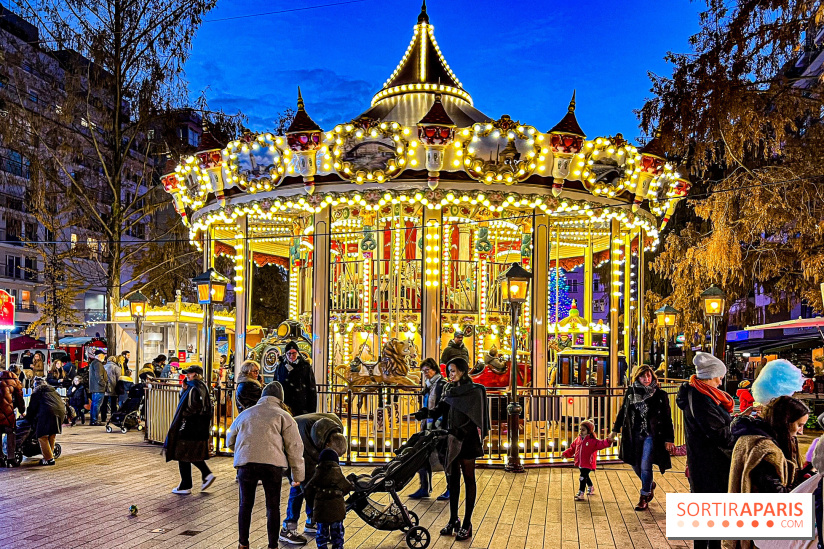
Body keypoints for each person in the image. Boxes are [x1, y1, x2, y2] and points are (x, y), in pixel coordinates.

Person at [414, 357, 489, 542]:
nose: (450, 375)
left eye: (454, 371)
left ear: (463, 371)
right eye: (449, 371)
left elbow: (475, 418)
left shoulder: (474, 391)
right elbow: (441, 410)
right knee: (452, 480)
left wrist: (460, 431)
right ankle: (453, 519)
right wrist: (427, 413)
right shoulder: (449, 389)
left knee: (469, 479)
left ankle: (467, 523)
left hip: (467, 440)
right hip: (452, 439)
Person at [724, 396, 810, 549]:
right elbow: (778, 496)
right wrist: (806, 483)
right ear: (785, 421)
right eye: (799, 425)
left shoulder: (756, 438)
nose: (802, 432)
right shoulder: (764, 450)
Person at [227, 381, 305, 549]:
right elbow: (295, 447)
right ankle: (272, 545)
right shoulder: (283, 416)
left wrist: (243, 451)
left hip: (246, 464)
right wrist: (297, 475)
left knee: (245, 505)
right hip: (273, 465)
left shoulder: (245, 414)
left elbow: (230, 440)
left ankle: (243, 544)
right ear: (280, 398)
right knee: (272, 506)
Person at [676, 352, 735, 549]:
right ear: (709, 376)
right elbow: (719, 434)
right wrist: (740, 425)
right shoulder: (701, 399)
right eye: (719, 377)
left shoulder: (701, 394)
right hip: (709, 463)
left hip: (704, 462)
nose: (720, 381)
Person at [609, 364, 675, 511]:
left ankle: (644, 495)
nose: (646, 379)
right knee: (634, 462)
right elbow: (623, 412)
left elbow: (666, 418)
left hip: (651, 435)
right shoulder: (631, 392)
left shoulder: (660, 395)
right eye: (643, 376)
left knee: (646, 464)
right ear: (637, 377)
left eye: (649, 376)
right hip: (633, 434)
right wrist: (614, 430)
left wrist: (669, 439)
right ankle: (649, 484)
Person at [282, 412, 347, 543]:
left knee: (316, 484)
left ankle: (311, 521)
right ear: (326, 444)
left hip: (309, 445)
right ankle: (288, 528)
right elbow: (307, 487)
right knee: (299, 486)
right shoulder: (302, 442)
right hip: (293, 452)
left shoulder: (335, 426)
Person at [164, 365, 215, 495]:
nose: (187, 375)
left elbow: (193, 407)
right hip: (199, 427)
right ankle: (205, 474)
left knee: (182, 452)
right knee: (190, 452)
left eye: (190, 373)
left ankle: (186, 484)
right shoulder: (202, 386)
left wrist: (184, 417)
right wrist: (183, 389)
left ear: (196, 374)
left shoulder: (194, 387)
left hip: (189, 426)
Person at [409, 357, 448, 500]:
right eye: (423, 371)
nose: (425, 373)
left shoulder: (441, 384)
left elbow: (442, 406)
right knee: (421, 455)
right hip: (428, 424)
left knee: (443, 457)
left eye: (427, 370)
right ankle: (424, 487)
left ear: (434, 370)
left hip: (438, 425)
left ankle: (449, 487)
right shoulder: (429, 385)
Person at [304, 448, 353, 549]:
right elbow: (347, 487)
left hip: (321, 511)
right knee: (337, 533)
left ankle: (322, 547)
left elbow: (307, 489)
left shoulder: (317, 474)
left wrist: (312, 504)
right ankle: (338, 547)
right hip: (337, 511)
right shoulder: (337, 473)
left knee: (322, 533)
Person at [561, 419, 613, 501]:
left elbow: (601, 444)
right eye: (580, 429)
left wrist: (608, 441)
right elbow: (572, 448)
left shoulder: (592, 441)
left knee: (582, 477)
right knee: (585, 476)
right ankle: (590, 486)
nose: (581, 431)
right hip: (580, 462)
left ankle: (581, 492)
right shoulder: (578, 440)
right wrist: (566, 454)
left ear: (589, 431)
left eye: (583, 430)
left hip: (588, 463)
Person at [25, 378, 66, 465]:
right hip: (60, 413)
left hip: (47, 414)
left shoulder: (37, 393)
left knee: (42, 436)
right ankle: (50, 455)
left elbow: (32, 409)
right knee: (52, 434)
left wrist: (27, 418)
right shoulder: (54, 392)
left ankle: (49, 459)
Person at [275, 342, 317, 416]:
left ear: (297, 353)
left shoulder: (305, 366)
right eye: (289, 353)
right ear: (286, 354)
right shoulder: (280, 366)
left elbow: (311, 388)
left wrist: (311, 410)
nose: (291, 356)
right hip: (285, 404)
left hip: (300, 405)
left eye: (294, 353)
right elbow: (276, 384)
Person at [0, 366, 25, 466]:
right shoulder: (15, 381)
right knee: (11, 432)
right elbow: (19, 398)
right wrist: (22, 410)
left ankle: (0, 458)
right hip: (8, 411)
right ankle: (11, 458)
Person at [88, 349, 108, 426]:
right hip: (98, 388)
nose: (104, 357)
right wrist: (104, 384)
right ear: (99, 356)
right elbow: (99, 376)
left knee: (94, 404)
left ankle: (93, 420)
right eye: (103, 355)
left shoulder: (94, 363)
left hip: (95, 387)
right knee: (96, 404)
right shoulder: (98, 364)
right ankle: (94, 420)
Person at [102, 355, 121, 423]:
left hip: (105, 387)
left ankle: (103, 418)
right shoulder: (116, 367)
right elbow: (119, 378)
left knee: (104, 403)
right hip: (113, 387)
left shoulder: (103, 367)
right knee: (113, 403)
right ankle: (113, 417)